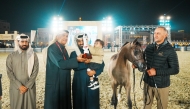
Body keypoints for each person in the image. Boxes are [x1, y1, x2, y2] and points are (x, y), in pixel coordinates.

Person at [133, 26, 179, 109]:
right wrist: (137, 65)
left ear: (165, 35)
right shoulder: (149, 47)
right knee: (146, 106)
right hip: (147, 82)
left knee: (161, 107)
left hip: (161, 85)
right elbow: (144, 61)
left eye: (158, 33)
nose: (155, 35)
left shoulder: (170, 50)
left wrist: (157, 72)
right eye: (154, 33)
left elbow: (175, 69)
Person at [44, 30, 86, 109]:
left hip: (64, 82)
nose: (65, 38)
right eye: (63, 35)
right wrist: (76, 59)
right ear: (57, 36)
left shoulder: (63, 48)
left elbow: (67, 62)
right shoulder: (52, 48)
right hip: (56, 82)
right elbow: (61, 63)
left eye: (67, 36)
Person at [70, 33, 105, 109]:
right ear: (76, 42)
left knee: (92, 101)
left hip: (92, 79)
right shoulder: (74, 53)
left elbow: (102, 64)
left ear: (86, 40)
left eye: (83, 40)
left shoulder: (93, 51)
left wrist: (95, 72)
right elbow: (74, 66)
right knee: (79, 101)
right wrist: (86, 61)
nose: (81, 43)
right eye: (79, 41)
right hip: (79, 81)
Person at [6, 34, 39, 109]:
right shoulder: (11, 56)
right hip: (16, 87)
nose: (24, 43)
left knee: (30, 106)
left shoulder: (33, 56)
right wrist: (19, 86)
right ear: (18, 42)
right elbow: (9, 73)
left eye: (26, 42)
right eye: (22, 41)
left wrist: (27, 86)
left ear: (28, 43)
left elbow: (35, 72)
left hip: (30, 87)